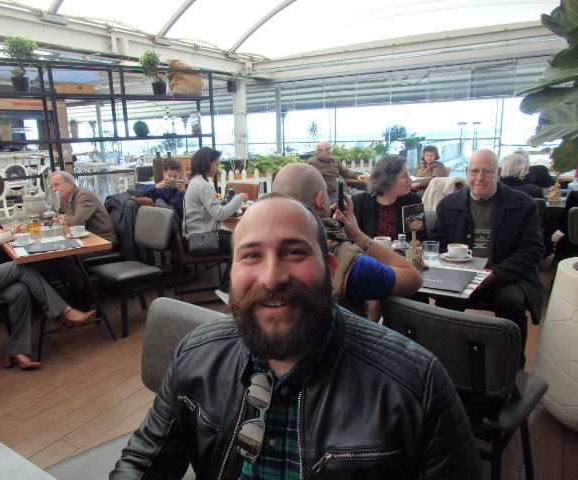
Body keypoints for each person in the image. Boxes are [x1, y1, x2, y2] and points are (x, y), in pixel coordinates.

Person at [110, 194, 481, 479]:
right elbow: (144, 461)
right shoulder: (195, 354)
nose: (272, 277)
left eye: (294, 251)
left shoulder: (417, 385)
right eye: (251, 255)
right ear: (231, 273)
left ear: (331, 270)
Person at [0, 176, 96, 370]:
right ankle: (64, 312)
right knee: (20, 265)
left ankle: (17, 350)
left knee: (19, 291)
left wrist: (12, 234)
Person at [430, 149, 545, 367]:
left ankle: (512, 366)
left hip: (505, 276)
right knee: (444, 303)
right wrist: (455, 264)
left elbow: (531, 251)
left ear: (499, 173)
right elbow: (439, 243)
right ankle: (447, 361)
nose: (480, 178)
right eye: (474, 171)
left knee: (510, 303)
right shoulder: (449, 204)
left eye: (487, 172)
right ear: (466, 172)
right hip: (461, 274)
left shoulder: (523, 204)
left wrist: (494, 274)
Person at [273, 162, 421, 318]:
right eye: (404, 175)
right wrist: (357, 235)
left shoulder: (261, 253)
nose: (409, 179)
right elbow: (413, 278)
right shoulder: (349, 263)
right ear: (321, 200)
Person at [183, 147, 248, 293]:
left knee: (236, 239)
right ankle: (227, 288)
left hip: (194, 236)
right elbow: (220, 215)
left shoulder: (195, 181)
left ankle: (232, 286)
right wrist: (238, 199)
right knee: (240, 244)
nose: (217, 168)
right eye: (216, 164)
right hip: (203, 239)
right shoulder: (204, 185)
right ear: (207, 163)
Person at [352, 155, 424, 240]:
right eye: (404, 176)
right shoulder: (358, 202)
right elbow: (352, 238)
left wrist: (403, 244)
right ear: (387, 180)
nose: (410, 179)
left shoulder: (412, 201)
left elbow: (420, 238)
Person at [49, 171, 117, 243]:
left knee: (59, 248)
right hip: (81, 238)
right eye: (52, 186)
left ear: (70, 184)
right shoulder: (63, 198)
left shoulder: (84, 195)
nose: (54, 189)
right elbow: (57, 217)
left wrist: (65, 217)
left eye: (56, 185)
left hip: (102, 240)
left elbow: (76, 223)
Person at [130, 158, 186, 223]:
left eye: (175, 177)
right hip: (161, 221)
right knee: (159, 201)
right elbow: (136, 193)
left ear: (179, 176)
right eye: (169, 176)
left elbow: (181, 212)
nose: (172, 179)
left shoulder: (183, 189)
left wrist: (182, 193)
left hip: (177, 221)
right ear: (164, 174)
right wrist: (155, 186)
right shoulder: (159, 187)